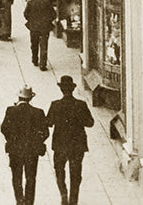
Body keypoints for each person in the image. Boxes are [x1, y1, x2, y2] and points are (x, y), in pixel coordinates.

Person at [46, 76, 94, 205]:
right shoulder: (81, 105)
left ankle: (63, 193)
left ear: (61, 89)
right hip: (77, 145)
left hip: (60, 144)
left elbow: (49, 123)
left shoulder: (55, 105)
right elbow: (90, 123)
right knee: (76, 173)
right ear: (72, 89)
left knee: (59, 170)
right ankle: (73, 200)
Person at [1, 85, 48, 205]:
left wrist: (11, 140)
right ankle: (29, 202)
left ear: (19, 97)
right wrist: (37, 142)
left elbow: (4, 128)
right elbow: (46, 132)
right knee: (31, 178)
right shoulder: (38, 112)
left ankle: (19, 200)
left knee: (16, 177)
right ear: (30, 99)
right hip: (32, 152)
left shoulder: (11, 110)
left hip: (15, 150)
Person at [24, 0, 56, 70]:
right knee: (44, 45)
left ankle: (35, 59)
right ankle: (43, 64)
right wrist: (47, 21)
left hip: (34, 27)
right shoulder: (47, 3)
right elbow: (53, 14)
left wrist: (31, 21)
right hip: (44, 27)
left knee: (34, 44)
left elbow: (25, 14)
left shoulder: (31, 2)